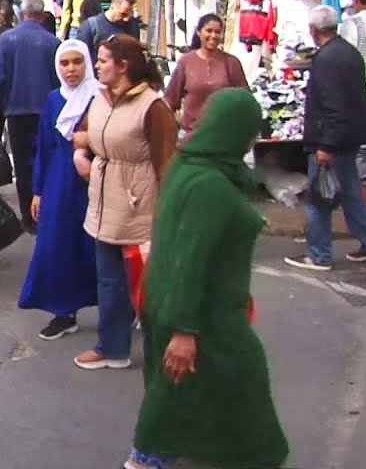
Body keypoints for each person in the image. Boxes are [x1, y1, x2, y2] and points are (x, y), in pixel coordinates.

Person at [125, 89, 290, 469]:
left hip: (179, 303)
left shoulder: (190, 167)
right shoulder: (209, 186)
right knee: (224, 376)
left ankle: (160, 454)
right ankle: (150, 457)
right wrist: (185, 330)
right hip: (202, 310)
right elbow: (190, 259)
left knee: (188, 386)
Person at [74, 34, 177, 371]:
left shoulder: (153, 107)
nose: (97, 65)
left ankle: (164, 348)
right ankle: (112, 348)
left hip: (138, 202)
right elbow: (87, 133)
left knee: (146, 283)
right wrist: (80, 151)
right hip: (104, 200)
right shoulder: (100, 98)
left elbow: (166, 163)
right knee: (108, 280)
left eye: (103, 60)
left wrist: (168, 212)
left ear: (123, 66)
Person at [286, 6, 366, 271]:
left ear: (313, 30)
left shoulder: (327, 59)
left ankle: (319, 254)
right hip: (349, 136)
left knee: (320, 197)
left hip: (332, 139)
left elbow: (334, 106)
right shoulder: (349, 53)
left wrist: (326, 145)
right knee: (350, 192)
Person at [20, 40, 99, 341]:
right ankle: (64, 312)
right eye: (64, 63)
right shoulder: (54, 100)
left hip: (94, 179)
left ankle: (121, 308)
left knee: (98, 248)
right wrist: (38, 191)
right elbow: (43, 147)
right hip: (58, 183)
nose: (71, 69)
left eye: (77, 62)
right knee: (58, 245)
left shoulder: (99, 97)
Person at [0, 0, 61, 233]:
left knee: (22, 165)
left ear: (22, 15)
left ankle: (28, 218)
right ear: (41, 16)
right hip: (46, 111)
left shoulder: (7, 39)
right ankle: (46, 212)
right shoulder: (52, 42)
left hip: (16, 110)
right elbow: (59, 80)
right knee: (47, 161)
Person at [163, 14, 250, 139]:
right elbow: (170, 100)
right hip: (192, 137)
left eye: (217, 32)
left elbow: (245, 100)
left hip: (224, 137)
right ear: (199, 32)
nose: (213, 36)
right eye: (209, 31)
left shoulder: (231, 63)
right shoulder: (186, 62)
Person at [77, 0, 141, 57]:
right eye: (123, 14)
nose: (126, 19)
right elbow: (81, 57)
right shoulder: (90, 27)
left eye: (130, 15)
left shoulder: (133, 25)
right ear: (112, 7)